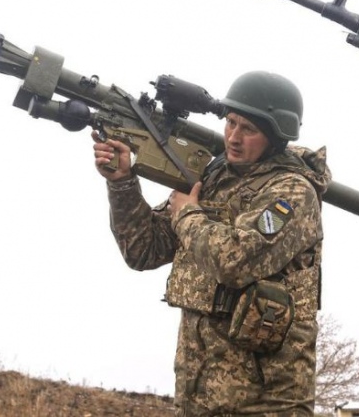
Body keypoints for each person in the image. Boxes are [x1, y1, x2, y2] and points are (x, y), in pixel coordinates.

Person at [92, 70, 330, 416]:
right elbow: (144, 250)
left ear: (276, 136)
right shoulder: (214, 177)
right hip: (199, 398)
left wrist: (188, 214)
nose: (233, 137)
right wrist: (122, 183)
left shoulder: (292, 193)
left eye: (248, 129)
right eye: (230, 123)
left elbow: (235, 262)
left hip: (265, 405)